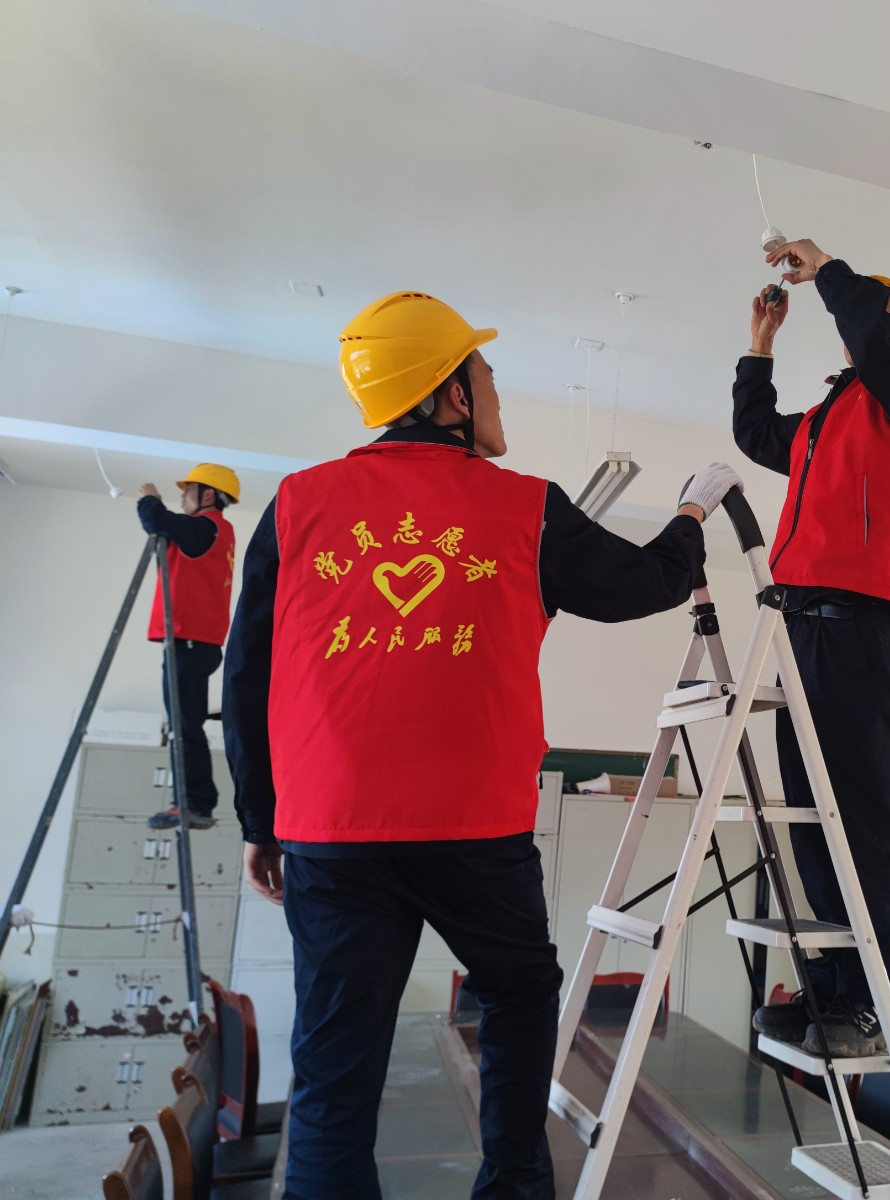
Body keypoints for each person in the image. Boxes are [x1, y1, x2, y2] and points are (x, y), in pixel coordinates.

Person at [222, 290, 743, 1200]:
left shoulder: (297, 503)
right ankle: (513, 1187)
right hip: (474, 831)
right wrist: (693, 512)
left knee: (335, 1057)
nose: (498, 391)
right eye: (488, 374)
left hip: (332, 835)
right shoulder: (524, 509)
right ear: (451, 395)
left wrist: (260, 820)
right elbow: (644, 583)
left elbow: (247, 670)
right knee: (516, 995)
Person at [732, 240, 890, 1058]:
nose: (855, 320)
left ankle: (871, 1002)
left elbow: (878, 343)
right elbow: (758, 433)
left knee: (864, 815)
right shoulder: (829, 418)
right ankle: (831, 989)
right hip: (797, 626)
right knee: (812, 816)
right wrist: (760, 348)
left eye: (876, 312)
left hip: (859, 625)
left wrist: (829, 269)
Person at [137, 464, 239, 831]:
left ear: (207, 494)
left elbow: (156, 520)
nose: (182, 498)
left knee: (184, 727)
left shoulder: (206, 527)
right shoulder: (210, 531)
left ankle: (195, 803)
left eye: (188, 491)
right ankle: (195, 802)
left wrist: (150, 499)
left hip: (192, 640)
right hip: (195, 641)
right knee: (185, 725)